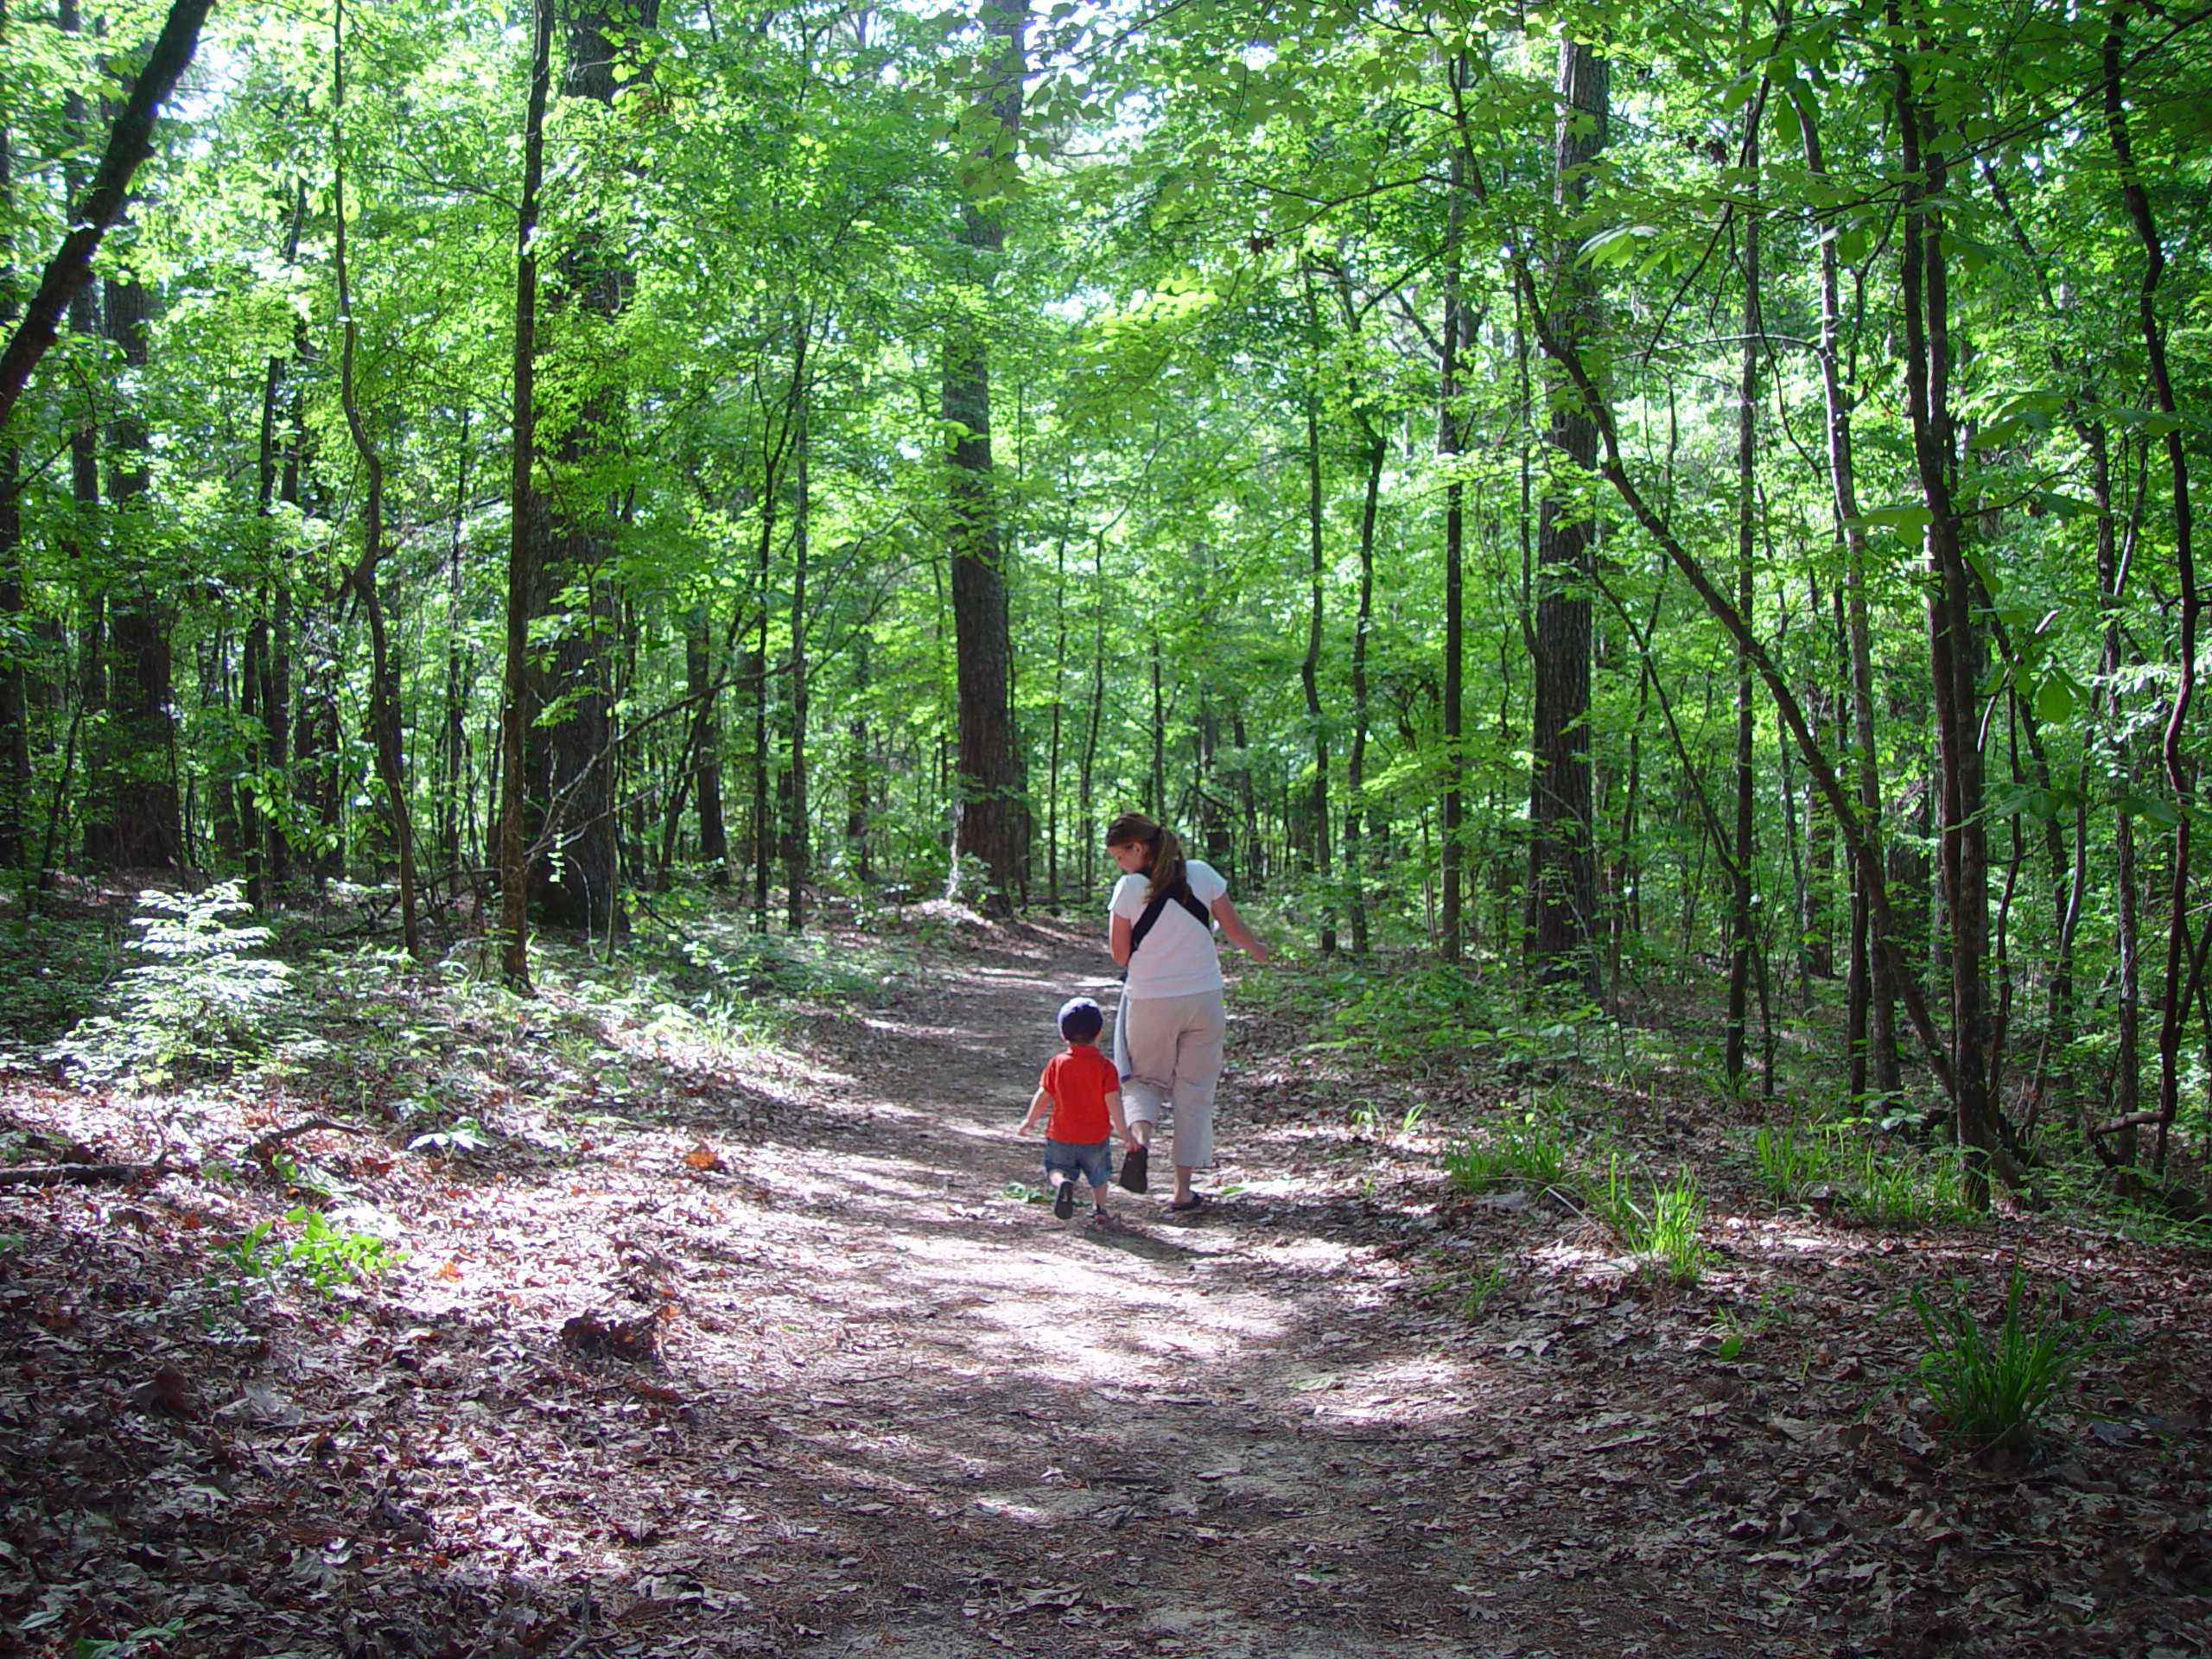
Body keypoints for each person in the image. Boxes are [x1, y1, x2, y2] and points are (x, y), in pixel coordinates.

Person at [1103, 811, 1270, 1211]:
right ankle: (1182, 1190)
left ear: (1137, 849)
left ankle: (1140, 1143)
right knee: (1195, 1091)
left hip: (1149, 1000)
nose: (1118, 865)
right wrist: (1257, 951)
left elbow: (1119, 954)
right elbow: (1233, 927)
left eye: (1118, 857)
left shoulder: (1128, 888)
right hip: (1204, 997)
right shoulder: (1201, 873)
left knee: (1143, 1080)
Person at [1017, 995, 1136, 1224]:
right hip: (1095, 1138)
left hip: (1061, 1135)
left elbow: (1044, 1094)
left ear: (1063, 1036)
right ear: (1099, 1033)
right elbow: (1113, 1102)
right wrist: (1124, 1132)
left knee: (1055, 1169)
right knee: (1099, 1176)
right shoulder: (1106, 1067)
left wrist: (1030, 1120)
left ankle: (1062, 1183)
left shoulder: (1057, 1063)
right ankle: (1100, 1209)